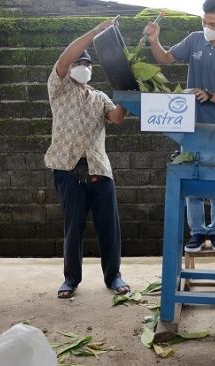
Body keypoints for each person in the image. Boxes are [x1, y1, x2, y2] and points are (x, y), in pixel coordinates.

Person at [143, 0, 215, 253]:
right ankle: (198, 232)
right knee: (191, 179)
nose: (207, 28)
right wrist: (154, 41)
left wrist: (210, 95)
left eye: (212, 24)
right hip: (188, 125)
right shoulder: (194, 40)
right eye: (204, 22)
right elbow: (166, 59)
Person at [45, 18, 131, 299]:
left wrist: (129, 95)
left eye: (88, 64)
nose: (83, 67)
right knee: (74, 227)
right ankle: (70, 279)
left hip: (100, 170)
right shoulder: (58, 88)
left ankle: (114, 277)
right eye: (78, 63)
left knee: (110, 228)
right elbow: (65, 56)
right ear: (69, 68)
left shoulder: (99, 97)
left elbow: (116, 118)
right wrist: (95, 33)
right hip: (68, 170)